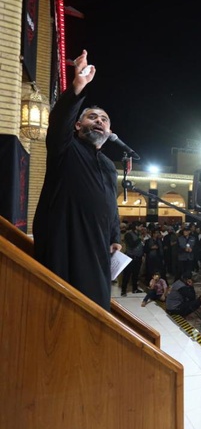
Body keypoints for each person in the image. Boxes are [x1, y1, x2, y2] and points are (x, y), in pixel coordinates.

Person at [33, 50, 122, 311]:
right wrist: (77, 87)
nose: (99, 121)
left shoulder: (107, 165)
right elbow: (60, 120)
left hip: (98, 247)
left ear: (110, 132)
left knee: (97, 309)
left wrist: (115, 236)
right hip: (66, 243)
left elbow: (110, 205)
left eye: (104, 119)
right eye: (92, 117)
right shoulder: (66, 148)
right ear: (77, 126)